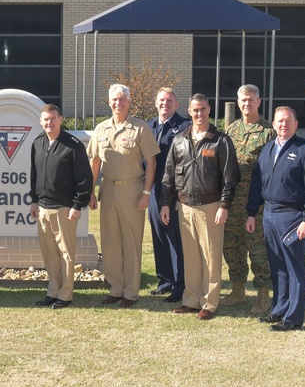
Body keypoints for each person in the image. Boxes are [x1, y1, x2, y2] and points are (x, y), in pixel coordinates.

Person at [159, 94, 240, 320]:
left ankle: (210, 303)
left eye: (203, 109)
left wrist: (224, 205)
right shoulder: (179, 140)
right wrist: (165, 202)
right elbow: (168, 175)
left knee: (211, 257)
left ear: (209, 110)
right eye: (195, 110)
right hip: (184, 207)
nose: (199, 114)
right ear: (189, 111)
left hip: (211, 206)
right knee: (191, 257)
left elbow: (230, 177)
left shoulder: (220, 140)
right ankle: (191, 300)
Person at [245, 106, 305, 332]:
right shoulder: (268, 149)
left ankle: (293, 318)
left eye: (288, 121)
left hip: (292, 217)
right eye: (279, 121)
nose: (283, 125)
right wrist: (252, 212)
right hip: (268, 215)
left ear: (296, 124)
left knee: (294, 268)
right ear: (273, 124)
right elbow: (257, 184)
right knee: (277, 267)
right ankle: (279, 309)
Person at [86, 84, 160, 307]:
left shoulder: (139, 128)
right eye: (114, 100)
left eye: (122, 99)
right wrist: (90, 191)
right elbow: (94, 161)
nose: (118, 103)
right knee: (110, 242)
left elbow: (152, 161)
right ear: (109, 102)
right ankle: (115, 287)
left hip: (132, 190)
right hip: (107, 189)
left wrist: (146, 192)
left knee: (131, 241)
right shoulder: (100, 129)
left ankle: (131, 292)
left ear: (129, 101)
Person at [29, 104, 93, 310]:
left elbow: (85, 179)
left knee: (66, 253)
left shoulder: (73, 145)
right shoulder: (37, 143)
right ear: (41, 122)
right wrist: (34, 200)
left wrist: (77, 205)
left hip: (64, 209)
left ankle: (65, 295)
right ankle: (53, 291)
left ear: (61, 119)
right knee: (49, 253)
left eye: (53, 119)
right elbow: (34, 175)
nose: (49, 123)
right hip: (43, 208)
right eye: (46, 120)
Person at [223, 84, 276, 314]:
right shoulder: (231, 130)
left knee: (257, 249)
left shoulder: (268, 132)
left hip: (257, 204)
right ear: (238, 102)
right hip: (233, 202)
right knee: (232, 247)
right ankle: (237, 291)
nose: (247, 104)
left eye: (251, 100)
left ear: (259, 102)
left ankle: (264, 295)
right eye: (243, 100)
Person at [147, 88, 190, 303]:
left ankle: (179, 284)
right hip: (153, 190)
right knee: (159, 235)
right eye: (162, 100)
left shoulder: (184, 127)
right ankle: (164, 279)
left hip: (174, 192)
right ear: (156, 103)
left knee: (175, 239)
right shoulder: (149, 126)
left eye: (169, 100)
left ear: (176, 104)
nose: (165, 103)